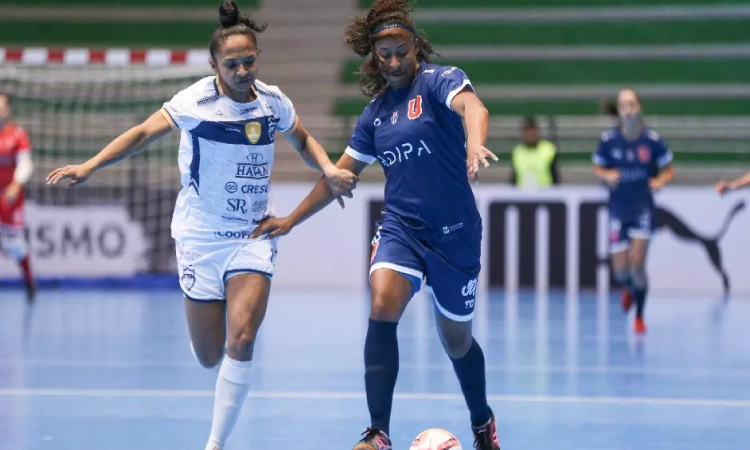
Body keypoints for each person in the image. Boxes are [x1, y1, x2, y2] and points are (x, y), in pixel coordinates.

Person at [46, 2, 357, 449]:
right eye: (232, 64)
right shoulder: (195, 102)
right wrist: (91, 165)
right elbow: (141, 134)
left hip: (253, 235)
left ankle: (215, 443)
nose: (243, 70)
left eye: (249, 60)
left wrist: (327, 168)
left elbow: (303, 139)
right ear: (214, 65)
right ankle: (208, 341)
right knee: (211, 357)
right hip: (199, 238)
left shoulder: (272, 102)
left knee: (243, 336)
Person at [251, 1, 501, 449]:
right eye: (384, 54)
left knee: (457, 341)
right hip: (401, 229)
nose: (393, 61)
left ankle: (482, 421)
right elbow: (338, 179)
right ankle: (378, 432)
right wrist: (291, 219)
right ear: (373, 56)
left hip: (455, 233)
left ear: (415, 46)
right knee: (383, 303)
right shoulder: (374, 116)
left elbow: (473, 107)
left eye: (400, 50)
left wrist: (475, 144)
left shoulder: (439, 81)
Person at [592, 88, 674, 334]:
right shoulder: (609, 141)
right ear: (618, 111)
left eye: (632, 104)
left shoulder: (652, 140)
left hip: (642, 209)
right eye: (623, 105)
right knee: (621, 271)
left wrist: (660, 181)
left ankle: (639, 315)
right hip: (618, 209)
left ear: (639, 108)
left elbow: (669, 170)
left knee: (637, 263)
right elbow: (597, 168)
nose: (628, 109)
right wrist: (607, 175)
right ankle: (628, 289)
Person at [0, 92, 35, 302]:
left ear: (8, 110)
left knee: (14, 244)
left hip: (9, 196)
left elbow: (25, 162)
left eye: (2, 106)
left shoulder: (17, 134)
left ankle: (29, 281)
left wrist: (16, 183)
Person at [510, 116, 559, 189]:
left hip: (546, 196)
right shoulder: (517, 152)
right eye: (527, 131)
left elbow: (555, 177)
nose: (530, 135)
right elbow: (514, 178)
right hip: (522, 196)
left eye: (532, 131)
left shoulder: (548, 149)